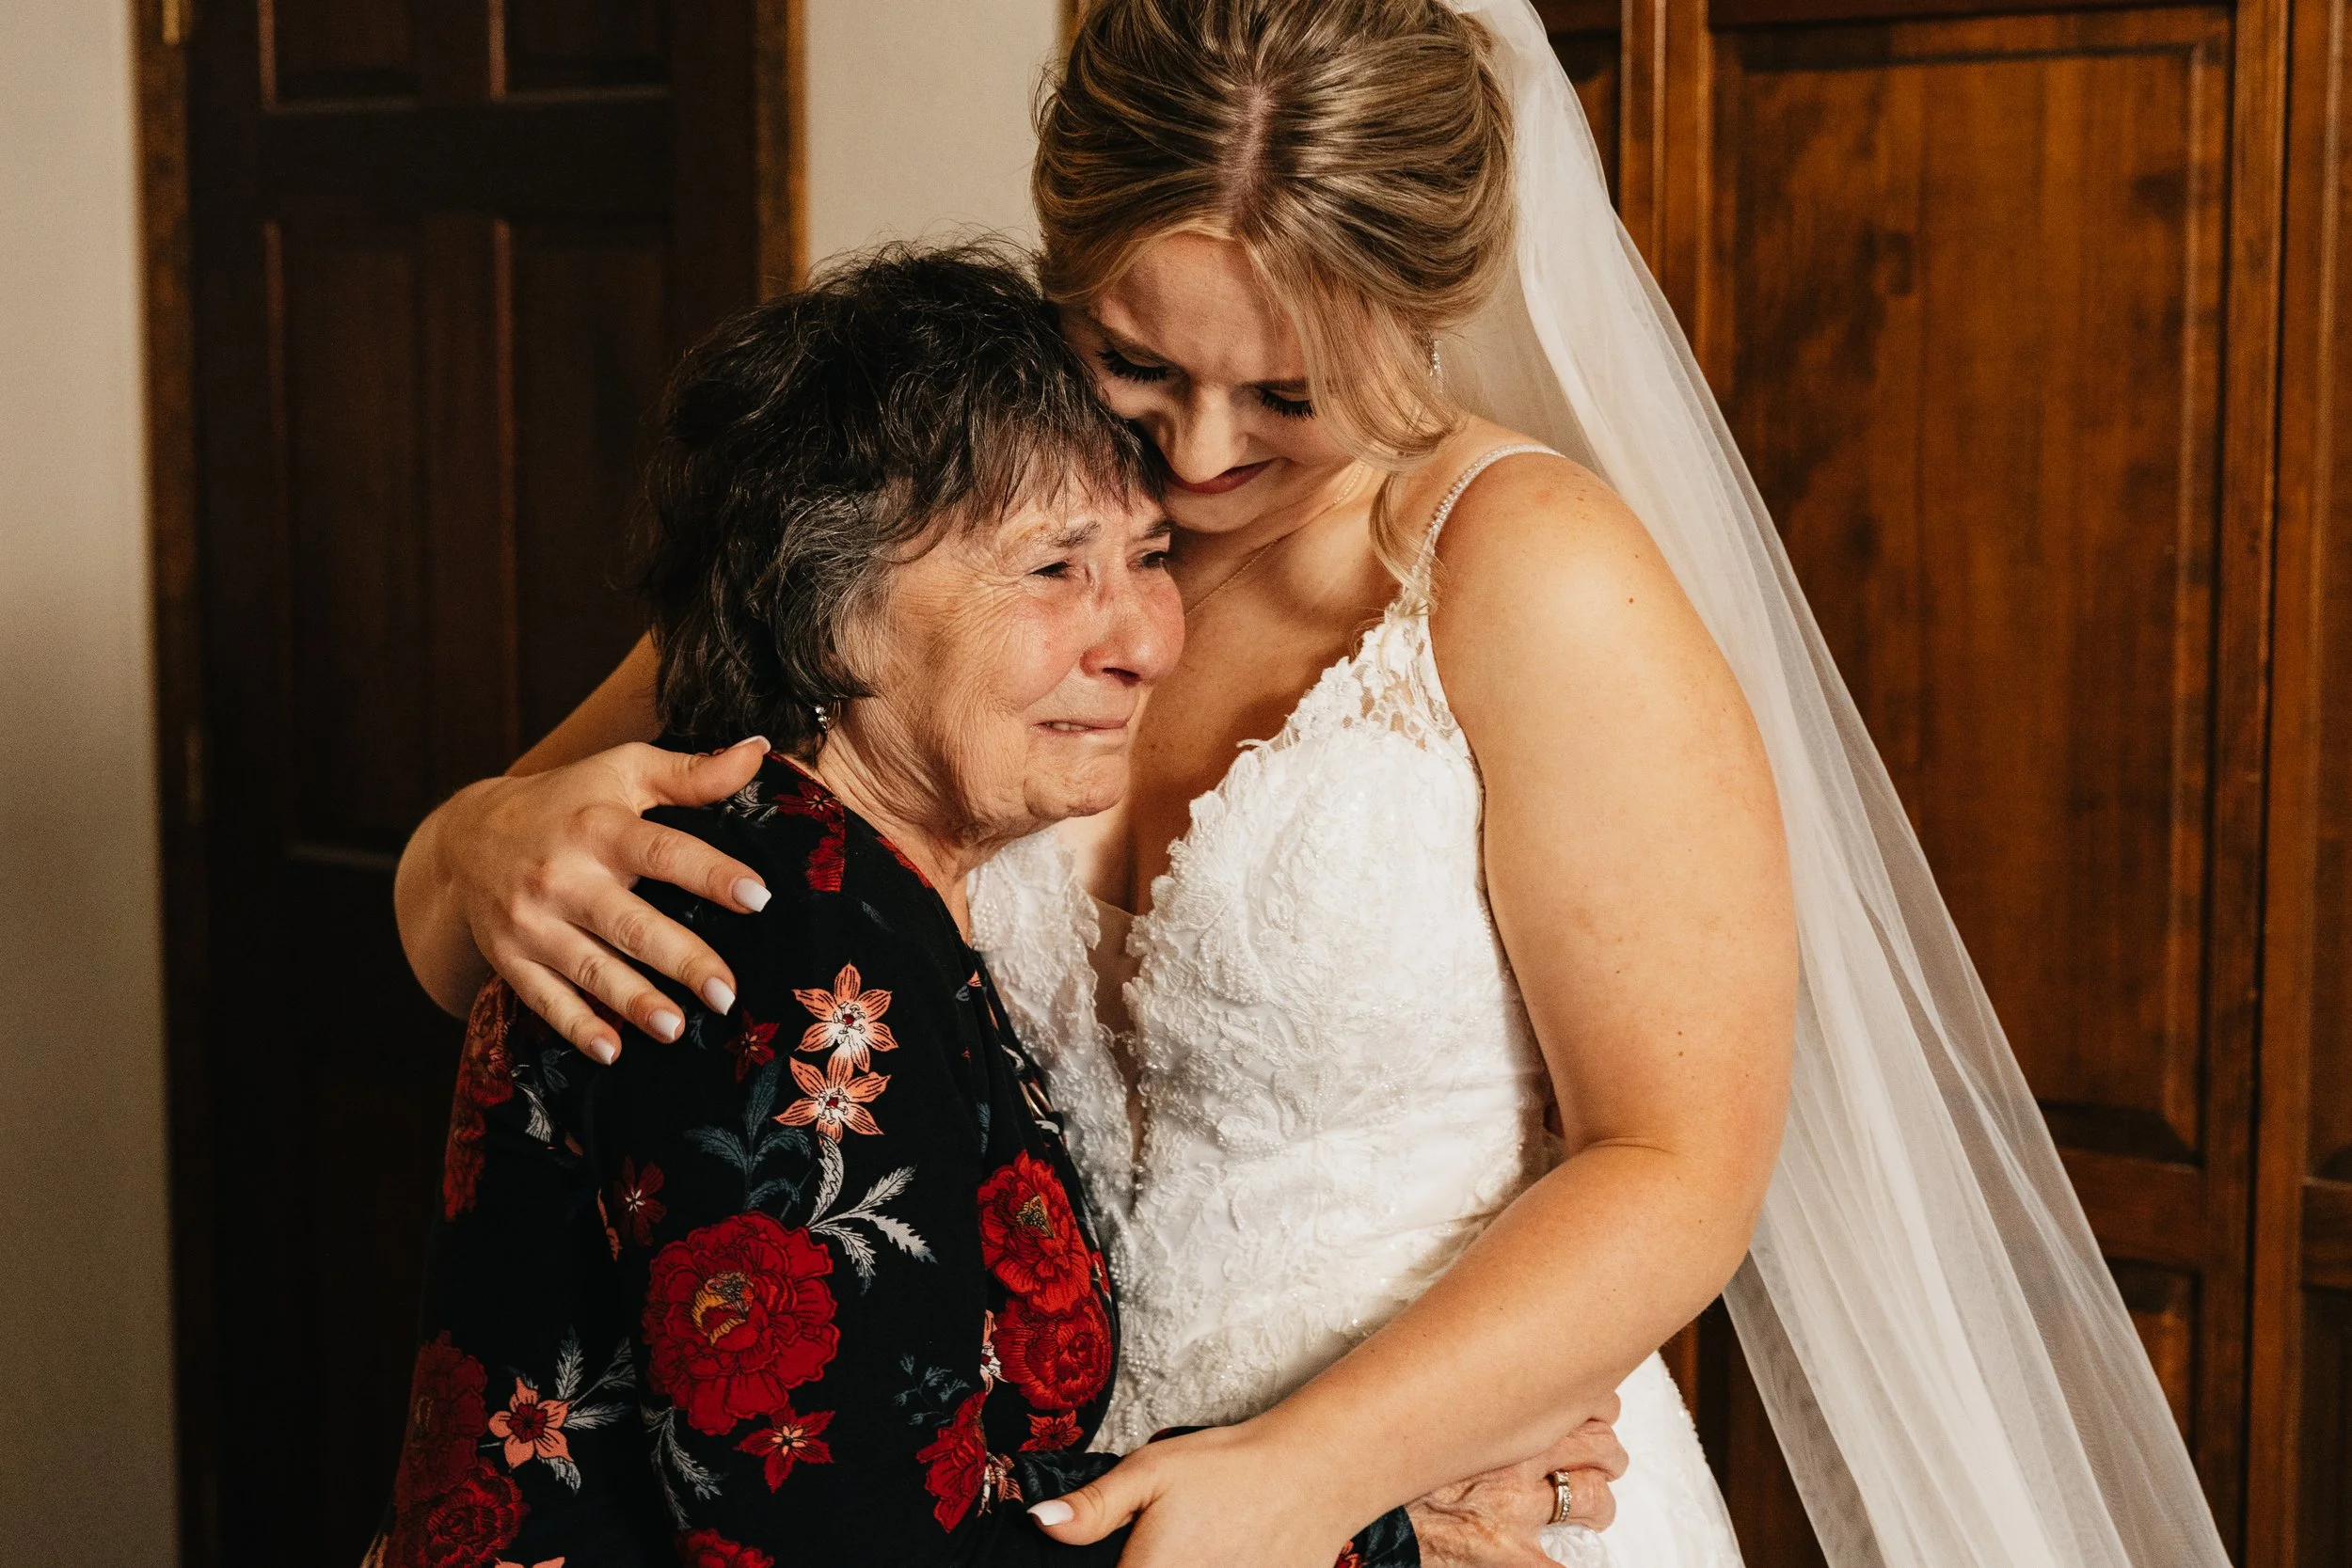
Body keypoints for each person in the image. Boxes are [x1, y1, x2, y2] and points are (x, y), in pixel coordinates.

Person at [393, 3, 2235, 1567]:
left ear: (1420, 315)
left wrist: (1319, 1474)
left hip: (1449, 1488)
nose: (1195, 455)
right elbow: (475, 938)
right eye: (1132, 363)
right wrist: (475, 840)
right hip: (1005, 1506)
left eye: (1284, 395)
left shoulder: (1527, 578)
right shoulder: (915, 533)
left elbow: (1676, 1156)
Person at [370, 248, 1436, 1568]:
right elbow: (838, 1549)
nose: (1145, 640)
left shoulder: (858, 890)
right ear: (832, 617)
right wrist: (1382, 1539)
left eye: (1147, 556)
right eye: (1055, 569)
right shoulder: (783, 932)